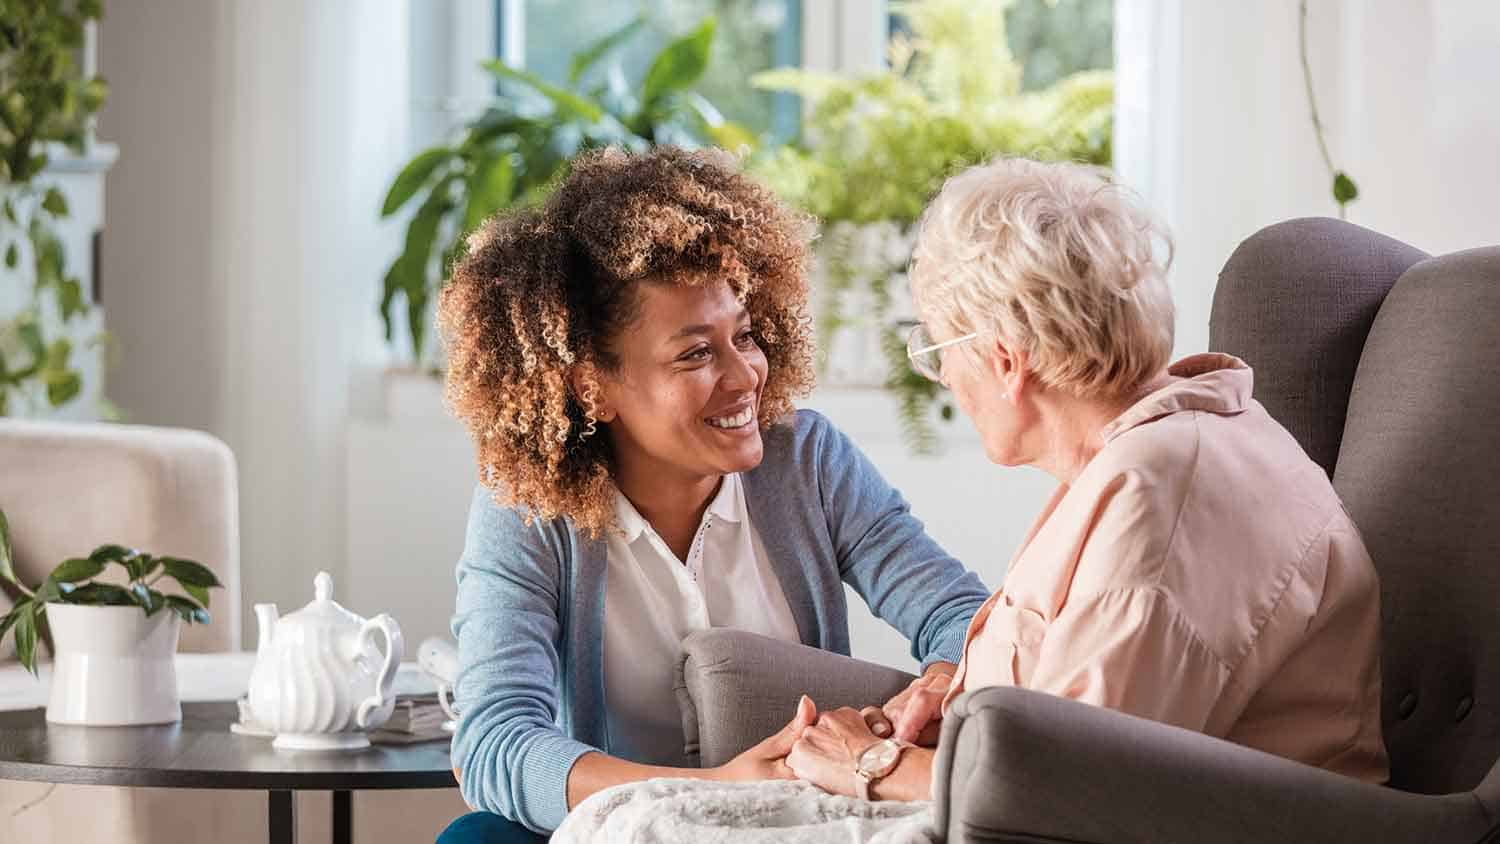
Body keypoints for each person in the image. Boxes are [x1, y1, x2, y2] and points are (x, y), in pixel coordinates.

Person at [785, 157, 1389, 802]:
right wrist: (962, 703)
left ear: (1005, 360)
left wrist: (873, 763)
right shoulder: (1161, 449)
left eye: (936, 351)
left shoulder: (1160, 496)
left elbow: (1074, 790)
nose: (948, 381)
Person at [435, 146, 990, 842]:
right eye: (695, 353)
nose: (745, 375)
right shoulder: (528, 509)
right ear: (590, 386)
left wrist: (928, 695)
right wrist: (714, 792)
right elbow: (495, 744)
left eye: (746, 336)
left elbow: (962, 616)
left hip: (792, 824)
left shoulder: (807, 461)